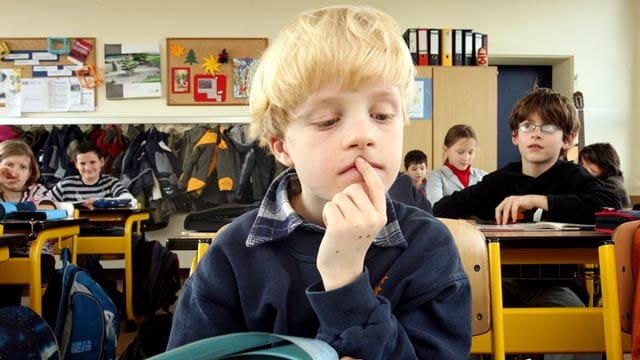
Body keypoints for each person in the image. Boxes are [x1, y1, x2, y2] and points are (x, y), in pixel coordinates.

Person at [167, 5, 471, 359]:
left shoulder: (429, 247)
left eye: (381, 115)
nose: (363, 135)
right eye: (328, 120)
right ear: (281, 145)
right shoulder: (233, 254)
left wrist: (345, 280)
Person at [433, 88, 621, 360]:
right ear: (515, 136)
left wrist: (539, 200)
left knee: (583, 330)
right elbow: (442, 208)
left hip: (556, 285)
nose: (535, 133)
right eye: (527, 126)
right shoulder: (500, 181)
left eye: (548, 126)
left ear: (567, 138)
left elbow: (609, 204)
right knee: (458, 317)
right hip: (498, 282)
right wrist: (471, 221)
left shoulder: (572, 176)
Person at [0, 139, 56, 307]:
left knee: (8, 278)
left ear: (30, 172)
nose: (14, 172)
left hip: (38, 256)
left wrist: (11, 209)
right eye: (9, 165)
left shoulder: (37, 191)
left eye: (22, 167)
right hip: (3, 256)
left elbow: (47, 209)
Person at [49, 140, 135, 207]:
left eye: (92, 162)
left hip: (109, 228)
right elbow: (45, 204)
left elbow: (130, 200)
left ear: (101, 161)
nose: (88, 168)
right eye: (82, 163)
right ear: (76, 164)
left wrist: (98, 202)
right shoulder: (64, 185)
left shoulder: (111, 183)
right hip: (72, 229)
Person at [426, 124, 487, 206]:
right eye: (460, 152)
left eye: (471, 152)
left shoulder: (483, 176)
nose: (466, 158)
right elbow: (436, 207)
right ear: (446, 150)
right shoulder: (436, 176)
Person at [579, 142, 632, 209]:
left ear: (604, 164)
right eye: (581, 163)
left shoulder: (612, 184)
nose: (583, 167)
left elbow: (592, 204)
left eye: (589, 163)